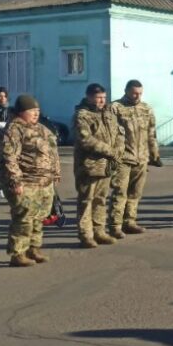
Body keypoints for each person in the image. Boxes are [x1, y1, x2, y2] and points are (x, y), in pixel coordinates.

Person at [0, 94, 60, 266]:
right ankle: (18, 254)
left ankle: (34, 249)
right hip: (25, 182)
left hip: (43, 182)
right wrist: (16, 181)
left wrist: (56, 171)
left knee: (39, 217)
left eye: (37, 110)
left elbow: (52, 150)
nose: (36, 114)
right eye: (31, 111)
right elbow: (9, 158)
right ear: (21, 112)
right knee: (24, 218)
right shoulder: (14, 130)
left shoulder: (41, 128)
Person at [107, 80, 162, 239]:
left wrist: (155, 154)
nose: (137, 96)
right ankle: (115, 226)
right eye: (134, 93)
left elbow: (151, 133)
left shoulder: (146, 108)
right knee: (120, 192)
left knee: (135, 193)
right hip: (123, 158)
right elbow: (110, 135)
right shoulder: (115, 108)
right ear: (126, 91)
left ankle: (129, 222)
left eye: (140, 93)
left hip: (142, 157)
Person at [72, 83, 122, 248]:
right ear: (89, 97)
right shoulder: (82, 115)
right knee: (86, 201)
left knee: (101, 200)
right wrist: (109, 150)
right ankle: (86, 234)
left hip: (106, 165)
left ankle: (99, 231)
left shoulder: (108, 113)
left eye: (103, 98)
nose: (101, 101)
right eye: (98, 98)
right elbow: (86, 139)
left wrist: (118, 150)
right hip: (88, 166)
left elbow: (118, 133)